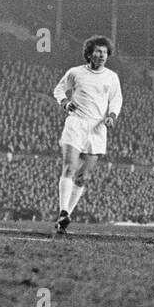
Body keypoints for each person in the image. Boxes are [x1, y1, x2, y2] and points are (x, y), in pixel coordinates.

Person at [52, 36, 123, 236]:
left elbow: (116, 99)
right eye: (98, 51)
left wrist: (112, 116)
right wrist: (65, 102)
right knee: (69, 167)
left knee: (84, 177)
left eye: (105, 52)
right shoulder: (75, 72)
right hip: (76, 123)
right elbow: (58, 89)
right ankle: (62, 212)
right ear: (90, 53)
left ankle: (65, 218)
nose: (101, 55)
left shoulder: (111, 77)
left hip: (98, 128)